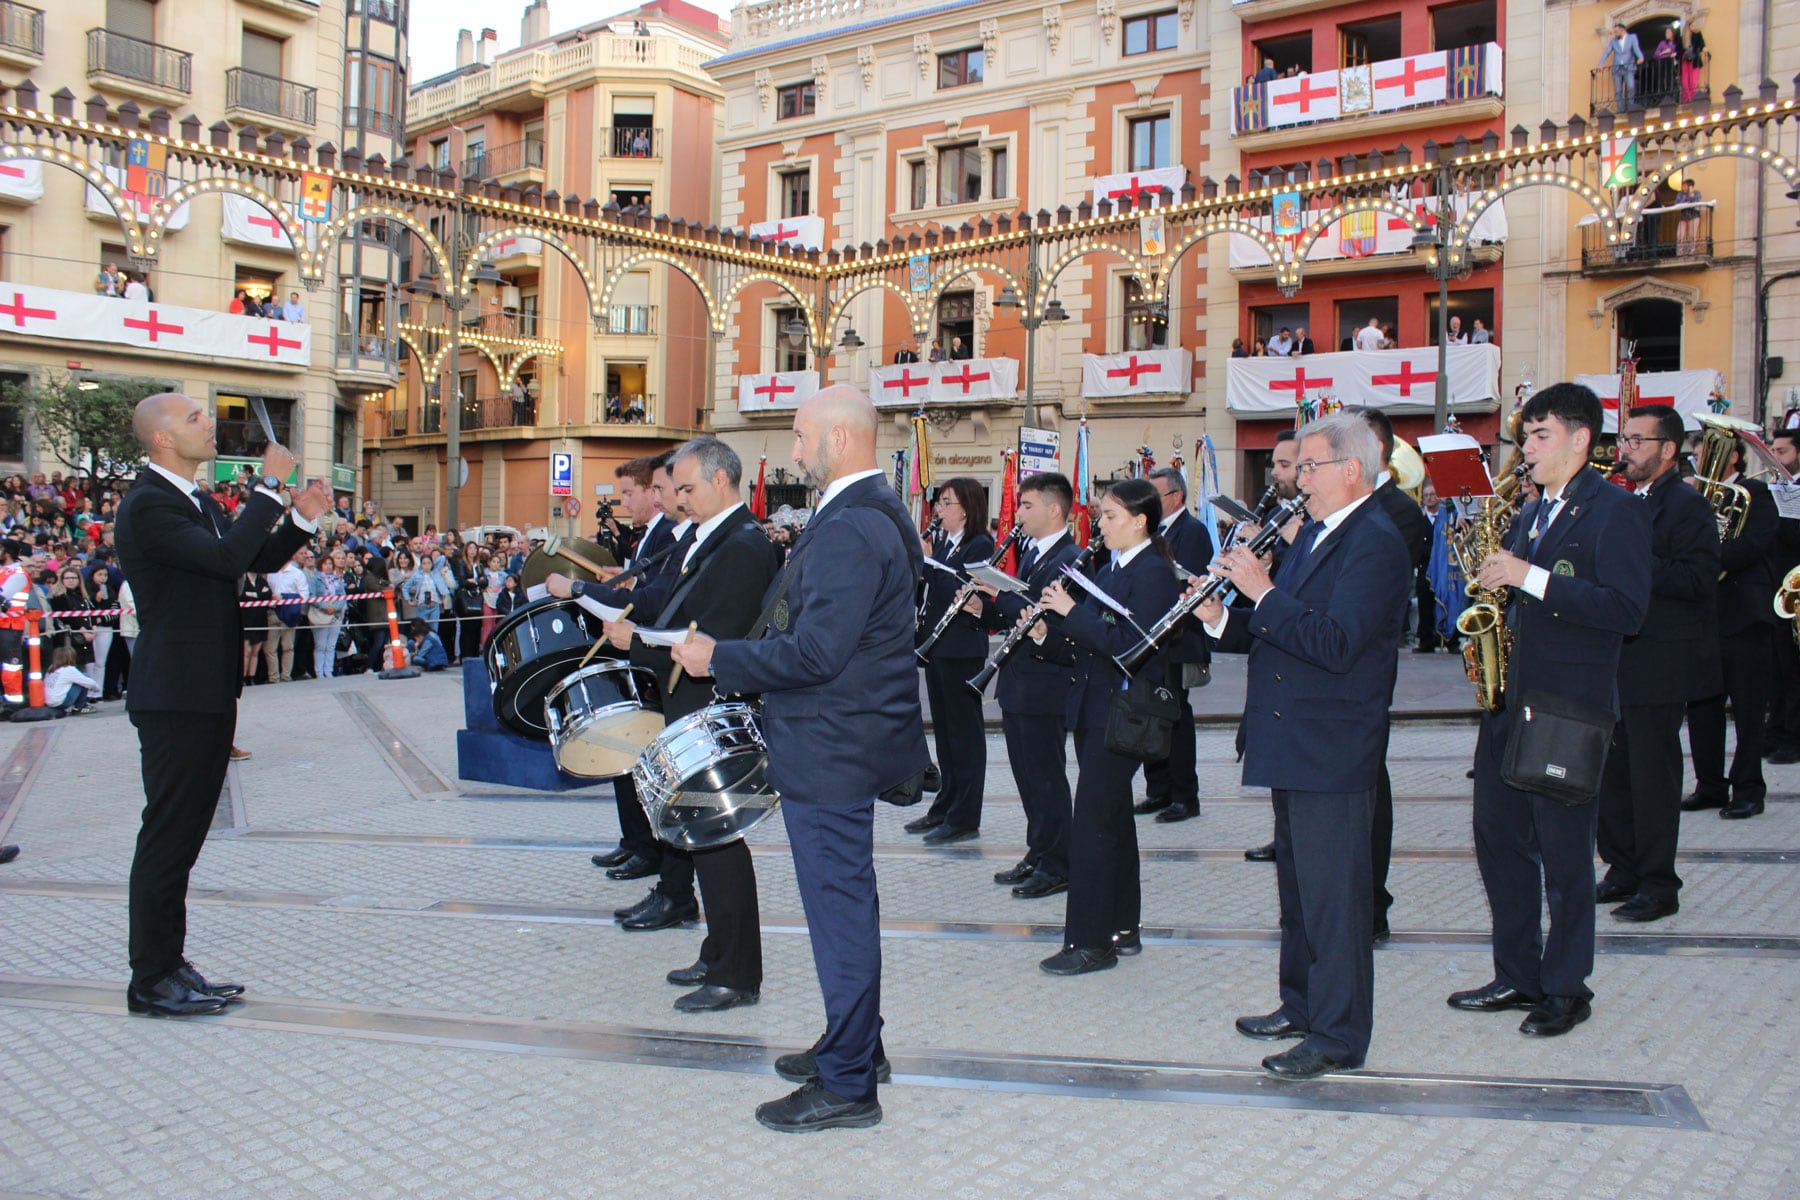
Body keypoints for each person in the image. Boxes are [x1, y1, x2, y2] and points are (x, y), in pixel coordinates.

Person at [669, 385, 928, 1133]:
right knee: (847, 907)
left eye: (801, 436)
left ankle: (848, 1087)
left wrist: (722, 656)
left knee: (840, 915)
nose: (792, 451)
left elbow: (817, 650)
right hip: (843, 740)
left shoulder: (851, 527)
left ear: (840, 440)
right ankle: (857, 1047)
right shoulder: (869, 511)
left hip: (831, 748)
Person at [1197, 413, 1410, 1078]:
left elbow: (1336, 642)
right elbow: (1279, 626)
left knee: (1334, 899)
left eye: (1308, 467)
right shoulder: (1319, 531)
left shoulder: (1375, 541)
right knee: (1298, 888)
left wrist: (1260, 589)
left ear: (1351, 470)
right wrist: (1222, 614)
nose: (1296, 480)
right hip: (1293, 735)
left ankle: (1339, 1033)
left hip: (1332, 742)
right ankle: (1301, 1002)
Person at [115, 391, 326, 1018]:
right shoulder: (148, 506)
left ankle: (171, 965)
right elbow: (223, 556)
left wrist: (301, 518)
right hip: (175, 694)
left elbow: (248, 559)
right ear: (160, 439)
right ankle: (150, 978)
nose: (208, 425)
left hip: (203, 690)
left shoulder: (192, 500)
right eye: (194, 419)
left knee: (183, 838)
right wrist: (268, 485)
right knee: (167, 836)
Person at [1450, 382, 1650, 1038]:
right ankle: (1518, 973)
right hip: (1511, 701)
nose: (1526, 449)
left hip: (1569, 708)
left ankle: (1567, 988)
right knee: (1498, 840)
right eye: (1525, 437)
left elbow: (1626, 609)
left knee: (1565, 859)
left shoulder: (1614, 510)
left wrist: (1528, 577)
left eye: (1539, 436)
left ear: (1580, 440)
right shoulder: (1530, 512)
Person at [565, 437, 781, 1014]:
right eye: (675, 489)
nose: (679, 501)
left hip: (710, 705)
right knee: (702, 837)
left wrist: (637, 643)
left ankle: (737, 973)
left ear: (721, 481)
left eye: (686, 488)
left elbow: (713, 638)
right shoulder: (715, 539)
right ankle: (718, 953)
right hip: (691, 704)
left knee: (718, 840)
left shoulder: (741, 544)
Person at [1035, 479, 1181, 975]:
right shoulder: (1113, 568)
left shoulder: (1154, 572)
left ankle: (1089, 942)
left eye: (1111, 516)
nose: (1100, 525)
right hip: (1096, 709)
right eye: (1101, 516)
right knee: (1113, 820)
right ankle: (1123, 924)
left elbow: (1132, 647)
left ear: (1140, 521)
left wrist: (1073, 612)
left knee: (1092, 825)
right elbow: (1090, 642)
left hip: (1124, 714)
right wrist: (1045, 628)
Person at [1598, 406, 1720, 923]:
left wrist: (1632, 562)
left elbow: (1699, 580)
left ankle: (1658, 883)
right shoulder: (1628, 500)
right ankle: (1623, 867)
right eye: (1624, 438)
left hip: (1659, 662)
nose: (1625, 448)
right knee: (1613, 775)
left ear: (1668, 449)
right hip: (1619, 661)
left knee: (1652, 778)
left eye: (1637, 440)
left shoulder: (1686, 505)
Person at [977, 472, 1084, 899]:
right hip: (1020, 681)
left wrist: (999, 597)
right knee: (1026, 776)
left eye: (1026, 505)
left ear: (1053, 509)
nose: (1017, 513)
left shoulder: (1072, 557)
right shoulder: (1033, 554)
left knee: (1046, 778)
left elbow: (1052, 617)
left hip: (1046, 684)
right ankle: (1039, 850)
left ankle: (1059, 862)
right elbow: (1017, 615)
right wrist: (981, 606)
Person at [1352, 407, 1432, 941]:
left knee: (1367, 790)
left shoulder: (1399, 512)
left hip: (1360, 671)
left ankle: (1372, 903)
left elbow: (1366, 592)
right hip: (1325, 671)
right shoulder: (1348, 508)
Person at [586, 453, 681, 882]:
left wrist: (579, 587)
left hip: (649, 655)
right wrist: (623, 575)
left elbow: (656, 597)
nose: (626, 502)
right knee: (625, 752)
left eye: (632, 492)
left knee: (638, 755)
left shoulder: (667, 535)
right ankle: (635, 841)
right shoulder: (650, 535)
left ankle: (648, 848)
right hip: (636, 651)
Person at [1683, 429, 1779, 818]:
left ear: (1733, 458)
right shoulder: (1691, 498)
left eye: (1706, 453)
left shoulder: (1757, 494)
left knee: (1749, 709)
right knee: (1703, 707)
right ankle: (1710, 785)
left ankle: (1749, 789)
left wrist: (1706, 556)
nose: (1699, 460)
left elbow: (1754, 546)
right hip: (1704, 617)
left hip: (1745, 615)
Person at [907, 477, 993, 844]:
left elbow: (960, 591)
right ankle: (945, 805)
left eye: (946, 503)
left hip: (963, 650)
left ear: (966, 508)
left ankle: (965, 815)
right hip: (938, 647)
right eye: (938, 503)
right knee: (944, 734)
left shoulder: (980, 544)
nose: (938, 511)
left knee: (965, 737)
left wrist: (927, 564)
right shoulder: (944, 542)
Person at [1134, 467, 1216, 824]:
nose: (1151, 503)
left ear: (1177, 497)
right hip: (1151, 638)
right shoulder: (1151, 531)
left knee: (1177, 719)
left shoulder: (1193, 531)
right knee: (1151, 715)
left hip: (1180, 641)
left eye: (1157, 496)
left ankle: (1185, 795)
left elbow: (1193, 579)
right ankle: (1158, 788)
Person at [264, 551, 306, 683]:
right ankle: (274, 677)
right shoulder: (271, 572)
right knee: (270, 648)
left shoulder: (297, 573)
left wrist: (287, 598)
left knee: (288, 647)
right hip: (272, 612)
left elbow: (304, 595)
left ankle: (286, 676)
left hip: (289, 614)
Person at [1599, 21, 1645, 112]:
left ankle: (1631, 107)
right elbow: (1607, 52)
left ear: (1622, 30)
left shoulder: (1632, 38)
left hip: (1628, 67)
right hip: (1617, 68)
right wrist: (1600, 63)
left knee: (1631, 86)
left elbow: (1636, 48)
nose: (1615, 34)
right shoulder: (1614, 41)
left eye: (1616, 32)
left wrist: (1641, 57)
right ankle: (1621, 109)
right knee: (1618, 91)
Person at [44, 643, 102, 714]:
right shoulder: (69, 669)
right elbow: (89, 683)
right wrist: (97, 689)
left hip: (48, 702)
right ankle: (80, 707)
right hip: (60, 702)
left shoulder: (51, 668)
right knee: (84, 677)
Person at [240, 572, 271, 684]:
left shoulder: (261, 580)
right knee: (246, 651)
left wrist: (252, 595)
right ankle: (242, 677)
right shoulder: (242, 579)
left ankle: (251, 676)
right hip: (246, 620)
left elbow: (268, 594)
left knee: (255, 651)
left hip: (260, 619)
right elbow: (242, 595)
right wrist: (258, 594)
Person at [1675, 180, 1703, 256]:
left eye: (1685, 185)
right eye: (1682, 186)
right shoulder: (1680, 194)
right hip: (1683, 216)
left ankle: (1691, 251)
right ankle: (1680, 251)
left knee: (1692, 235)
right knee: (1680, 235)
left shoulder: (1697, 193)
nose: (1683, 187)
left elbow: (1695, 201)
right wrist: (1687, 201)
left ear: (1690, 186)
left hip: (1694, 215)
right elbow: (1678, 203)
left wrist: (1690, 194)